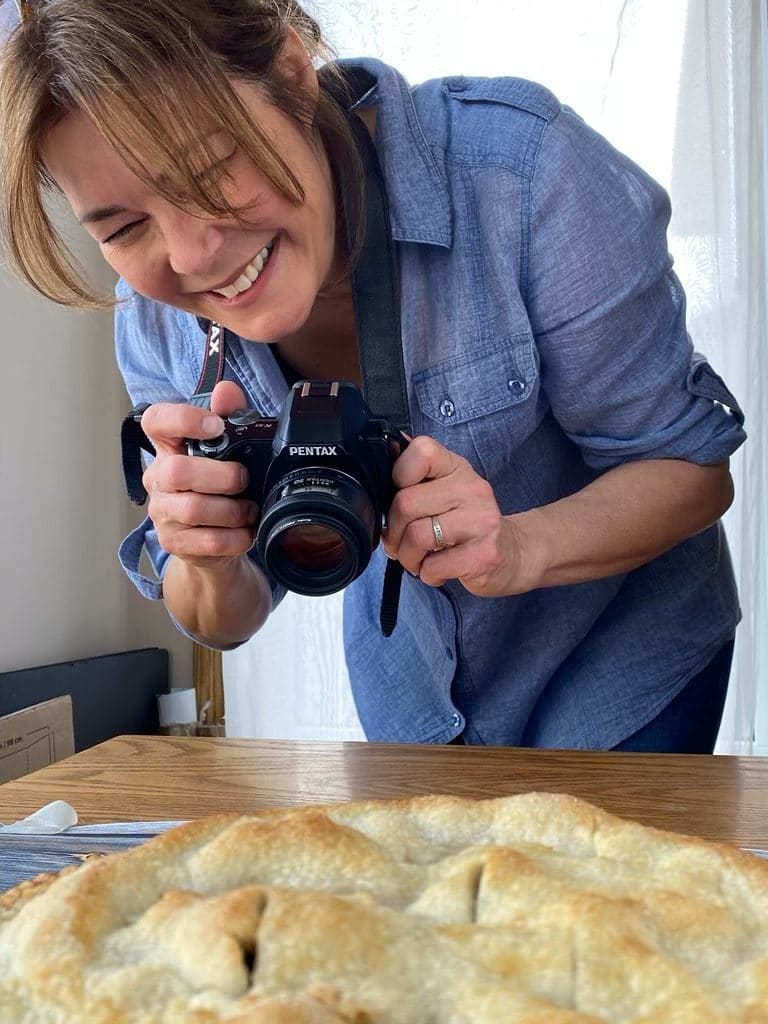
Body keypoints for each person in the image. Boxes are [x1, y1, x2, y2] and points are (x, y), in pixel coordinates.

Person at [0, 0, 747, 752]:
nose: (192, 256)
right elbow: (224, 617)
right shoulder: (156, 318)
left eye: (209, 169)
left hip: (625, 665)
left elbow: (691, 470)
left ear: (294, 78)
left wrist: (519, 547)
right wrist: (204, 555)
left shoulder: (522, 176)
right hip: (412, 704)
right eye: (125, 228)